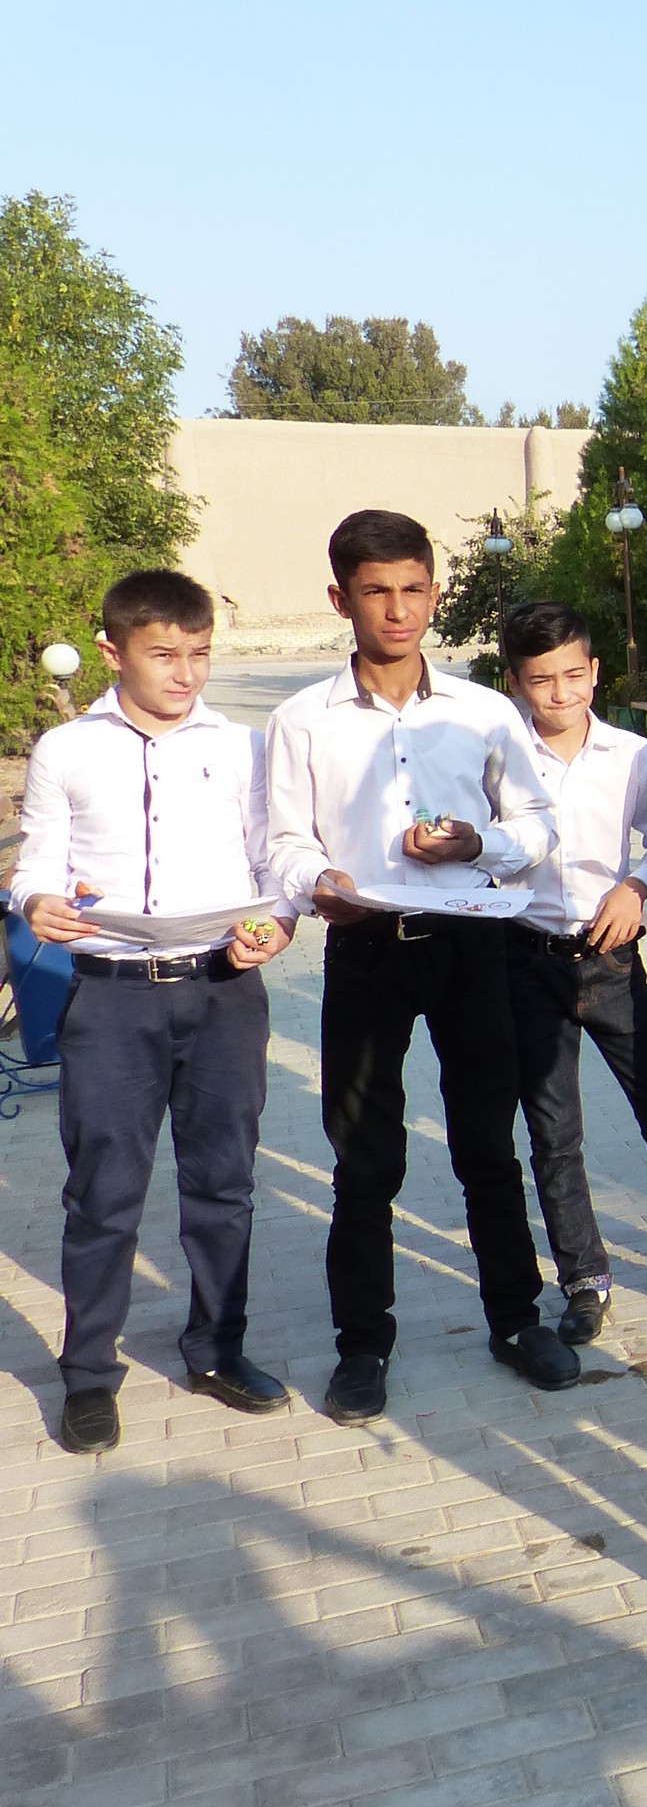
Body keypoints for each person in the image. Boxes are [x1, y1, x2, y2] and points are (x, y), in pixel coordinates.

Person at [265, 510, 571, 1423]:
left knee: (487, 1144)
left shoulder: (483, 710)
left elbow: (537, 826)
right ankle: (363, 1346)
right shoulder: (301, 721)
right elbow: (280, 838)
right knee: (365, 1162)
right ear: (340, 599)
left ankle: (516, 1319)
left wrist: (480, 841)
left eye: (413, 588)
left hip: (474, 946)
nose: (397, 610)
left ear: (435, 590)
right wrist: (322, 881)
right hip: (364, 952)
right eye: (375, 591)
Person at [13, 570, 296, 1455]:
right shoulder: (68, 748)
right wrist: (35, 903)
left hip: (221, 992)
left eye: (200, 654)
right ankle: (90, 1374)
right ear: (112, 651)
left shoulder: (244, 748)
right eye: (164, 654)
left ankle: (217, 1349)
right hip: (109, 998)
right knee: (103, 1194)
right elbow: (36, 861)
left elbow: (274, 866)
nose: (186, 674)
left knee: (224, 1184)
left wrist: (274, 926)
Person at [498, 600, 647, 1343]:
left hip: (612, 963)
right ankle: (584, 1278)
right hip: (527, 962)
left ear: (595, 671)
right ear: (515, 681)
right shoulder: (494, 758)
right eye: (541, 680)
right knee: (553, 1130)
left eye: (573, 675)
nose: (560, 694)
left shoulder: (631, 757)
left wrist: (636, 888)